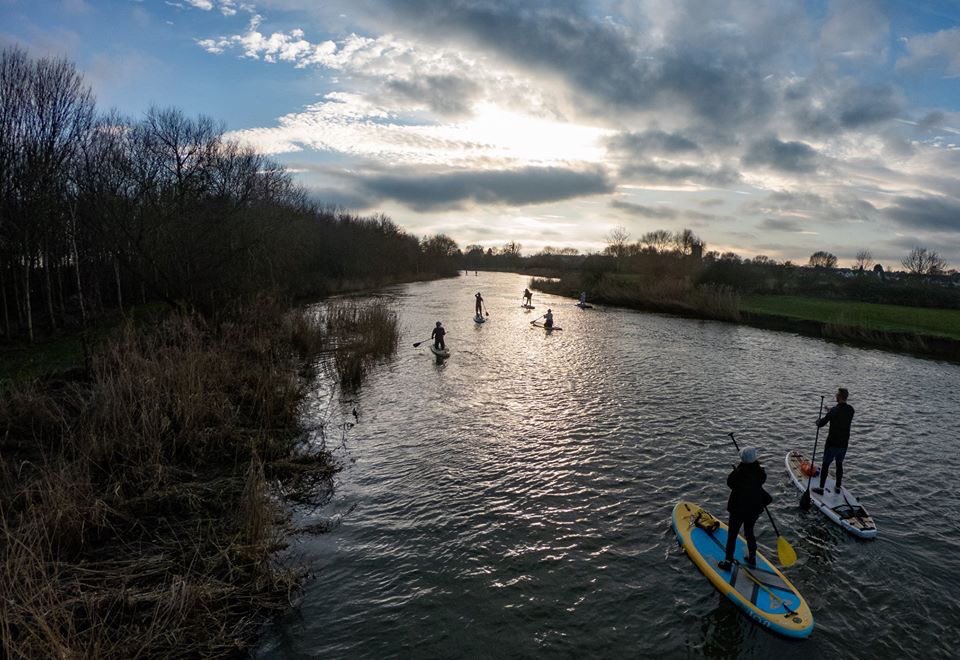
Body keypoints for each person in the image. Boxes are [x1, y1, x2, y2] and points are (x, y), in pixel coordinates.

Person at [718, 447, 768, 570]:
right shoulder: (760, 473)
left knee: (732, 535)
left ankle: (728, 561)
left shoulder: (738, 473)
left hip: (737, 510)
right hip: (754, 509)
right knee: (749, 532)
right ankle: (752, 557)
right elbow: (761, 478)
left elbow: (730, 483)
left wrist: (738, 469)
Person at [813, 388, 854, 495]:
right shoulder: (851, 410)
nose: (835, 396)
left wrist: (817, 422)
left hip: (832, 444)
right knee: (839, 464)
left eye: (837, 394)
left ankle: (821, 488)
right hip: (843, 444)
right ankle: (838, 487)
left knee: (825, 465)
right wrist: (830, 410)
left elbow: (822, 423)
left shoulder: (834, 411)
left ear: (840, 396)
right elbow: (839, 413)